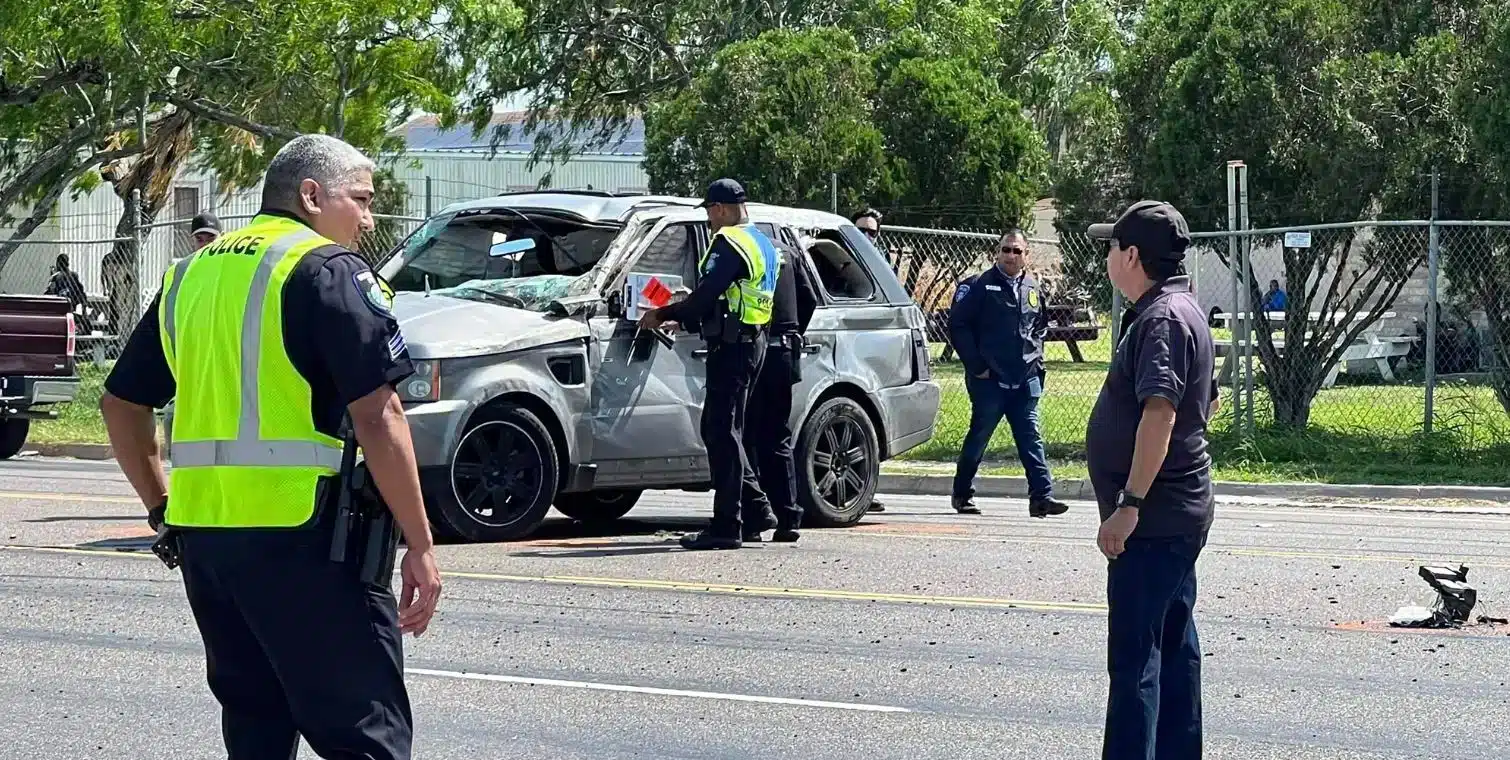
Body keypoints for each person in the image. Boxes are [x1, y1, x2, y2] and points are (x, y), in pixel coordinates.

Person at [98, 133, 442, 760]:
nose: (368, 220)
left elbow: (121, 404)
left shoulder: (189, 274)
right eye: (361, 200)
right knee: (366, 736)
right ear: (311, 196)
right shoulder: (328, 271)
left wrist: (160, 506)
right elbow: (379, 414)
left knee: (256, 730)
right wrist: (419, 543)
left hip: (207, 543)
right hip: (307, 538)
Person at [1085, 200, 1218, 760]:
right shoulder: (1181, 308)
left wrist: (1130, 503)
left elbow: (1160, 413)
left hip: (1155, 520)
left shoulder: (1162, 318)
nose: (1108, 257)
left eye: (1113, 246)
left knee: (1136, 661)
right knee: (1174, 649)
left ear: (1133, 255)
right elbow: (1207, 402)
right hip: (1177, 514)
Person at [639, 178, 780, 550]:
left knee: (720, 432)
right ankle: (756, 511)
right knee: (728, 430)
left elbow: (705, 297)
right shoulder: (763, 242)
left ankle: (726, 526)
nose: (709, 220)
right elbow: (730, 297)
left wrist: (662, 313)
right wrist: (687, 318)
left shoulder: (729, 241)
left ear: (720, 208)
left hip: (732, 348)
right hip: (753, 341)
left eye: (709, 212)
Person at [946, 228, 1070, 518]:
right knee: (979, 436)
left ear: (1026, 255)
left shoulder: (1032, 287)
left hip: (1025, 378)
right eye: (1005, 249)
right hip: (989, 380)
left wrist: (1036, 362)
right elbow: (958, 326)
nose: (1010, 256)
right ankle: (962, 493)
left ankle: (1041, 497)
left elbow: (1039, 326)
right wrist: (977, 366)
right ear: (997, 252)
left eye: (1016, 251)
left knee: (1030, 436)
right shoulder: (978, 285)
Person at [740, 236, 819, 543]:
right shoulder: (785, 249)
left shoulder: (741, 247)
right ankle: (788, 517)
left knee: (746, 435)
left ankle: (752, 518)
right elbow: (809, 298)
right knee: (777, 435)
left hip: (754, 348)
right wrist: (793, 331)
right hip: (785, 350)